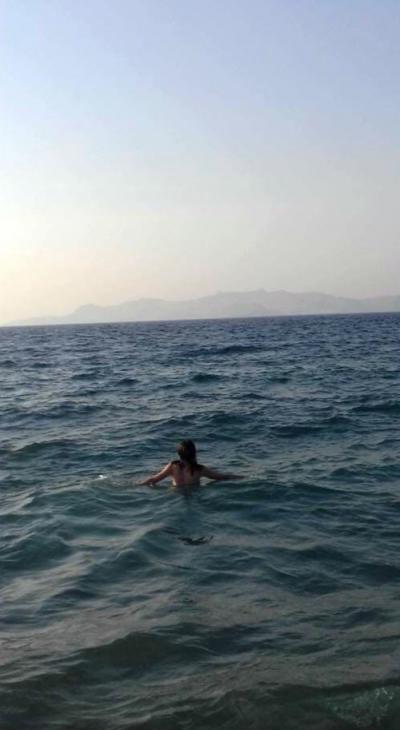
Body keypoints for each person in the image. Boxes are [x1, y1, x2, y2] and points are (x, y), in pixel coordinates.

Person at [139, 439, 242, 487]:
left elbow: (153, 480)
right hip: (193, 495)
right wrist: (241, 477)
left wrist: (137, 486)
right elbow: (221, 477)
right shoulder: (199, 469)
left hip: (176, 497)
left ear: (179, 454)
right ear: (194, 453)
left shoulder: (173, 466)